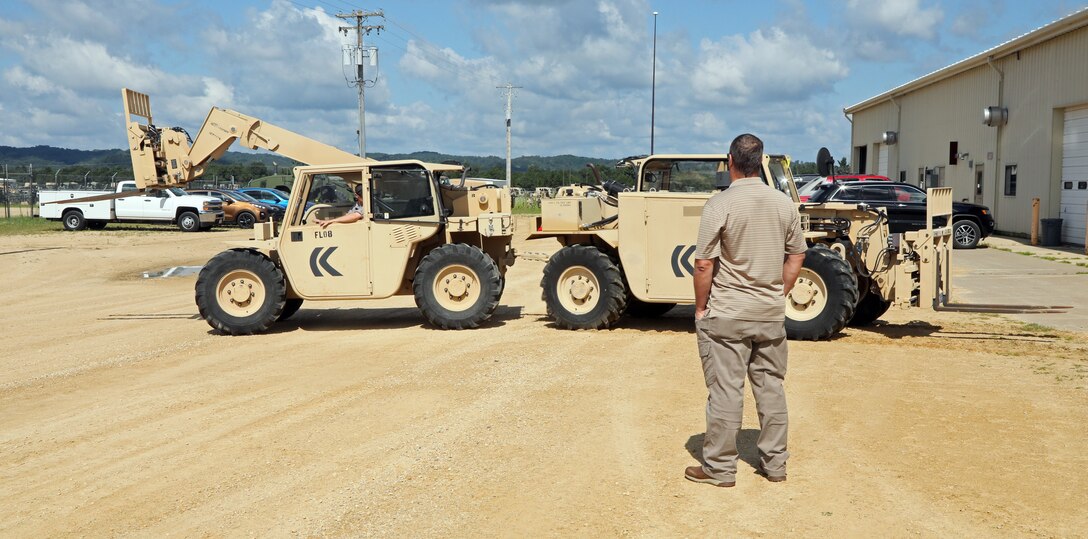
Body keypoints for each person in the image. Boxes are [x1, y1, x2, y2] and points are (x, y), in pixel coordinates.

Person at [685, 133, 807, 488]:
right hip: (769, 314)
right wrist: (778, 291)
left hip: (728, 313)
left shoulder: (719, 204)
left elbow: (704, 264)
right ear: (762, 161)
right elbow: (797, 254)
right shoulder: (784, 204)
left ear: (730, 161)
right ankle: (775, 465)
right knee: (771, 388)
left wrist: (700, 308)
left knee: (726, 390)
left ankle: (720, 469)